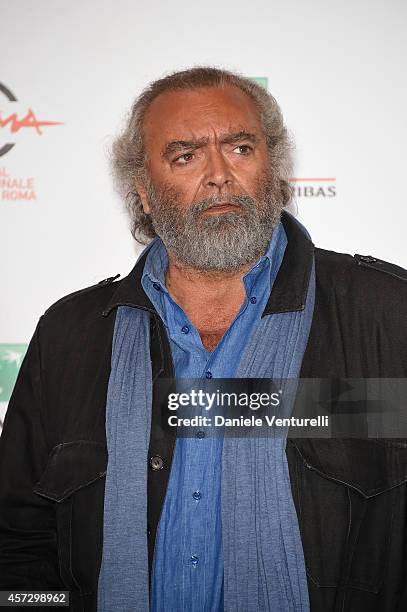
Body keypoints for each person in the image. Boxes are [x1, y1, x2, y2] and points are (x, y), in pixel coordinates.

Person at [0, 66, 406, 612]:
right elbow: (18, 543)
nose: (219, 174)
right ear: (143, 192)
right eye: (185, 156)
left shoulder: (386, 316)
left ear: (274, 168)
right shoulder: (72, 334)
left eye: (240, 148)